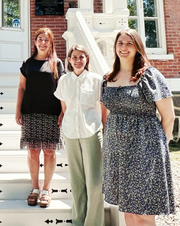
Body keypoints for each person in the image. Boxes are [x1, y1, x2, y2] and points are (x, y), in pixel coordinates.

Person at [101, 28, 175, 226]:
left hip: (145, 149)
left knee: (143, 213)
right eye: (120, 43)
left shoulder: (149, 76)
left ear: (137, 47)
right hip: (118, 152)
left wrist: (159, 149)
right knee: (127, 210)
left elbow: (168, 117)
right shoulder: (109, 78)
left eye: (129, 43)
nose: (123, 48)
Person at [54, 45, 107, 226]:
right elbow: (64, 105)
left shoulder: (96, 80)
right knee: (76, 181)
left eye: (81, 57)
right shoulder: (64, 80)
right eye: (74, 57)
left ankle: (93, 223)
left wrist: (104, 127)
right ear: (69, 60)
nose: (78, 60)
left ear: (87, 59)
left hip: (91, 132)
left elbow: (103, 106)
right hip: (70, 132)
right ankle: (78, 221)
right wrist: (64, 117)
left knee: (94, 182)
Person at [15, 27, 65, 208]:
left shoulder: (57, 63)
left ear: (51, 43)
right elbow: (21, 87)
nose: (43, 42)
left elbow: (63, 90)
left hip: (52, 112)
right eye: (40, 39)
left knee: (50, 151)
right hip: (31, 112)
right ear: (35, 42)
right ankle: (35, 188)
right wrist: (18, 110)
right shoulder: (28, 64)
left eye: (47, 39)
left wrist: (62, 111)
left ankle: (46, 190)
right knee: (33, 151)